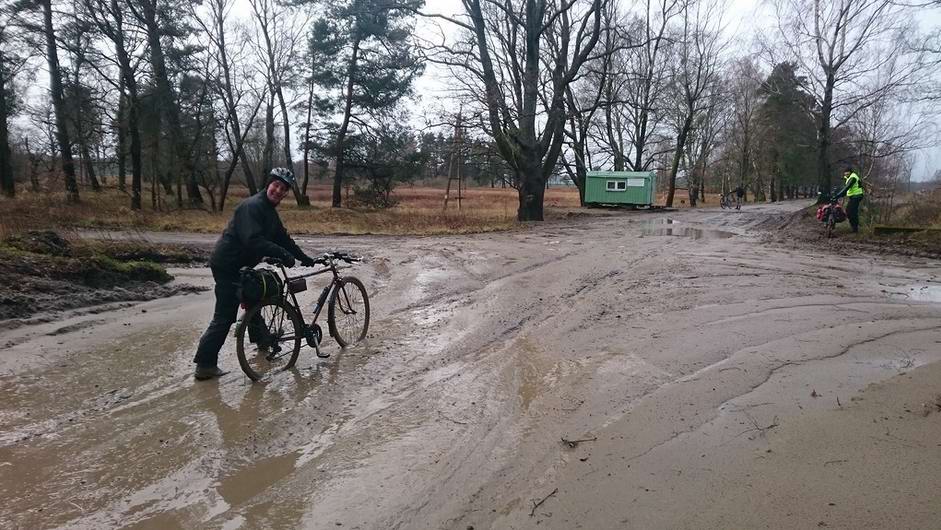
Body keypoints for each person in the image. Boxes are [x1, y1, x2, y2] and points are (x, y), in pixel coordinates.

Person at [192, 168, 317, 380]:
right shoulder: (253, 206)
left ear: (285, 193)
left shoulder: (269, 212)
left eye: (283, 188)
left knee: (256, 297)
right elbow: (253, 240)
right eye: (276, 185)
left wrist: (304, 257)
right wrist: (281, 253)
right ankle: (205, 364)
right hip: (227, 265)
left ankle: (263, 341)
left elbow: (283, 238)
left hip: (241, 264)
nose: (278, 190)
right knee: (224, 316)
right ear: (269, 184)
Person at [833, 166, 864, 233]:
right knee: (852, 212)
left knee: (850, 211)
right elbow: (847, 189)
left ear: (851, 173)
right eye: (845, 174)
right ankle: (855, 228)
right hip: (854, 196)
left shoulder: (853, 178)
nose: (846, 175)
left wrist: (838, 195)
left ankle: (855, 229)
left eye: (847, 174)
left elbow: (847, 188)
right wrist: (839, 195)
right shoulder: (849, 177)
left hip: (857, 196)